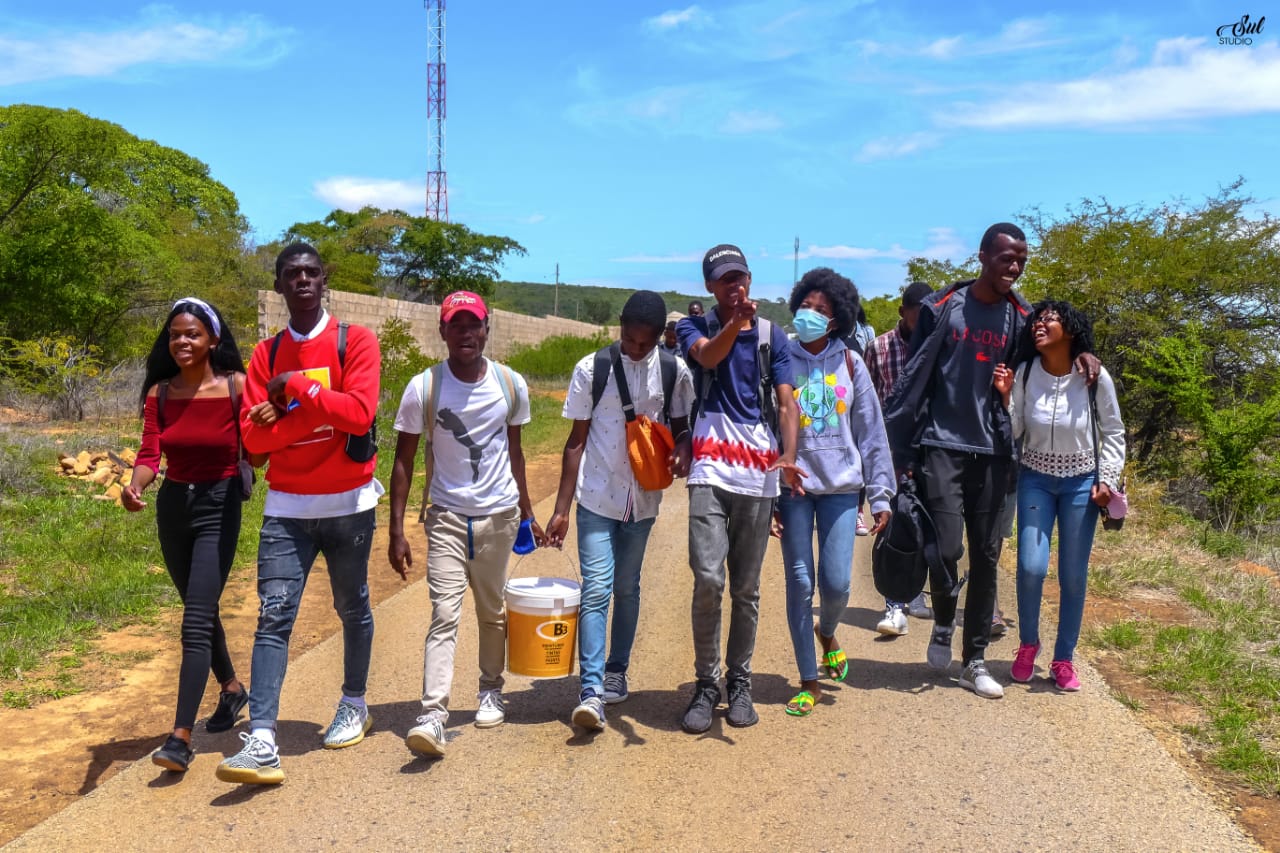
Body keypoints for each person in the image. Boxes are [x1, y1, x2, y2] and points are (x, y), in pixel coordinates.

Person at [883, 223, 1099, 700]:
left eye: (1021, 259)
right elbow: (915, 378)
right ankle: (942, 620)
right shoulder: (944, 308)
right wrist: (903, 452)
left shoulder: (1023, 317)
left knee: (985, 556)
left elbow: (1053, 349)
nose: (1015, 267)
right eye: (1006, 258)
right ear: (982, 256)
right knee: (944, 550)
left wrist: (1084, 352)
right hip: (941, 444)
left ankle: (974, 659)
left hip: (995, 453)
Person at [216, 243, 382, 784]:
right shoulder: (264, 355)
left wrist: (293, 391)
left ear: (324, 279)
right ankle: (262, 737)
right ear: (280, 284)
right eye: (292, 274)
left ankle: (354, 702)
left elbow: (359, 416)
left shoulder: (354, 340)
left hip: (349, 507)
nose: (303, 280)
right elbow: (255, 443)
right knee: (274, 616)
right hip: (287, 509)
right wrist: (312, 410)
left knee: (351, 607)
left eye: (312, 272)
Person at [388, 291, 544, 758]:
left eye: (473, 325)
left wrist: (529, 513)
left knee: (493, 611)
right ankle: (434, 713)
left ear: (486, 329)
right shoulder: (424, 387)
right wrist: (396, 529)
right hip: (447, 518)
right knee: (443, 614)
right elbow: (403, 461)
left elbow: (514, 452)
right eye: (456, 326)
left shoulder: (510, 384)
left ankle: (490, 689)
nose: (465, 334)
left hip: (499, 514)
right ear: (442, 332)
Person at [546, 291, 694, 730]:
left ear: (659, 339)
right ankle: (591, 691)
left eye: (644, 343)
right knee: (596, 588)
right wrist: (560, 509)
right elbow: (575, 443)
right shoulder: (592, 370)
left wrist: (682, 450)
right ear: (620, 328)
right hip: (595, 495)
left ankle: (616, 671)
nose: (635, 349)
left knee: (627, 588)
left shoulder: (673, 370)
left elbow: (683, 427)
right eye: (629, 339)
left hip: (643, 499)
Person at [675, 244, 803, 732]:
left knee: (746, 589)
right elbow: (708, 358)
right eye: (725, 280)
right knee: (709, 579)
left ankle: (740, 680)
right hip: (710, 469)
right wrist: (734, 323)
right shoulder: (696, 327)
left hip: (758, 475)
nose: (736, 286)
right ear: (710, 287)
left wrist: (789, 457)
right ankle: (706, 684)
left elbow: (787, 404)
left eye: (741, 277)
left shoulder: (774, 336)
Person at [124, 298, 252, 773]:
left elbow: (257, 447)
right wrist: (134, 486)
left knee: (195, 621)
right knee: (199, 610)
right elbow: (149, 453)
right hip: (174, 507)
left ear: (212, 340)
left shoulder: (237, 386)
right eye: (175, 334)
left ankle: (180, 737)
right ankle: (234, 691)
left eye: (193, 334)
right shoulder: (159, 394)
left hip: (218, 505)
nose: (182, 341)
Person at [776, 269, 893, 716]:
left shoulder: (850, 363)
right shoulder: (781, 358)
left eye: (821, 310)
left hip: (843, 487)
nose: (810, 314)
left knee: (837, 584)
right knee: (800, 582)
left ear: (837, 320)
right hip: (795, 489)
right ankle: (809, 679)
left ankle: (828, 631)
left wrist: (880, 493)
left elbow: (871, 432)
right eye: (806, 305)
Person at [994, 300, 1124, 691]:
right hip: (1035, 477)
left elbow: (1114, 430)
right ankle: (1028, 644)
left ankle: (1064, 659)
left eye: (1050, 319)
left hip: (1081, 483)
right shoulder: (1026, 372)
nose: (1040, 323)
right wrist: (1005, 397)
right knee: (1031, 567)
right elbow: (1016, 429)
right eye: (1037, 319)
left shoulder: (1093, 376)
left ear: (1070, 330)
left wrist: (1109, 478)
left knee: (1072, 575)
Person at [864, 282, 935, 636]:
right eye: (917, 311)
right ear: (902, 312)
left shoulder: (940, 344)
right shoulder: (877, 349)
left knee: (929, 525)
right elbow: (867, 403)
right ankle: (894, 605)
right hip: (890, 452)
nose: (923, 317)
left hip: (932, 451)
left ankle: (916, 593)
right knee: (894, 525)